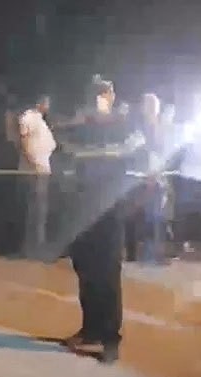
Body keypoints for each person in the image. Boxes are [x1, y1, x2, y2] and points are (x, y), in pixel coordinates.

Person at [62, 75, 135, 361]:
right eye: (94, 94)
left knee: (108, 273)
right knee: (86, 270)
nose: (98, 99)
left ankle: (109, 339)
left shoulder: (125, 129)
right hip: (82, 210)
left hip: (110, 211)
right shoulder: (79, 130)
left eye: (103, 94)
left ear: (111, 97)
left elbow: (140, 156)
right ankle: (90, 330)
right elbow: (65, 155)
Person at [17, 94, 56, 257]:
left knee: (40, 209)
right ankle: (31, 246)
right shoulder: (29, 117)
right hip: (35, 170)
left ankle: (38, 244)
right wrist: (33, 164)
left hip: (43, 169)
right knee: (34, 209)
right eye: (47, 103)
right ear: (40, 103)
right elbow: (24, 140)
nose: (48, 106)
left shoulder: (40, 120)